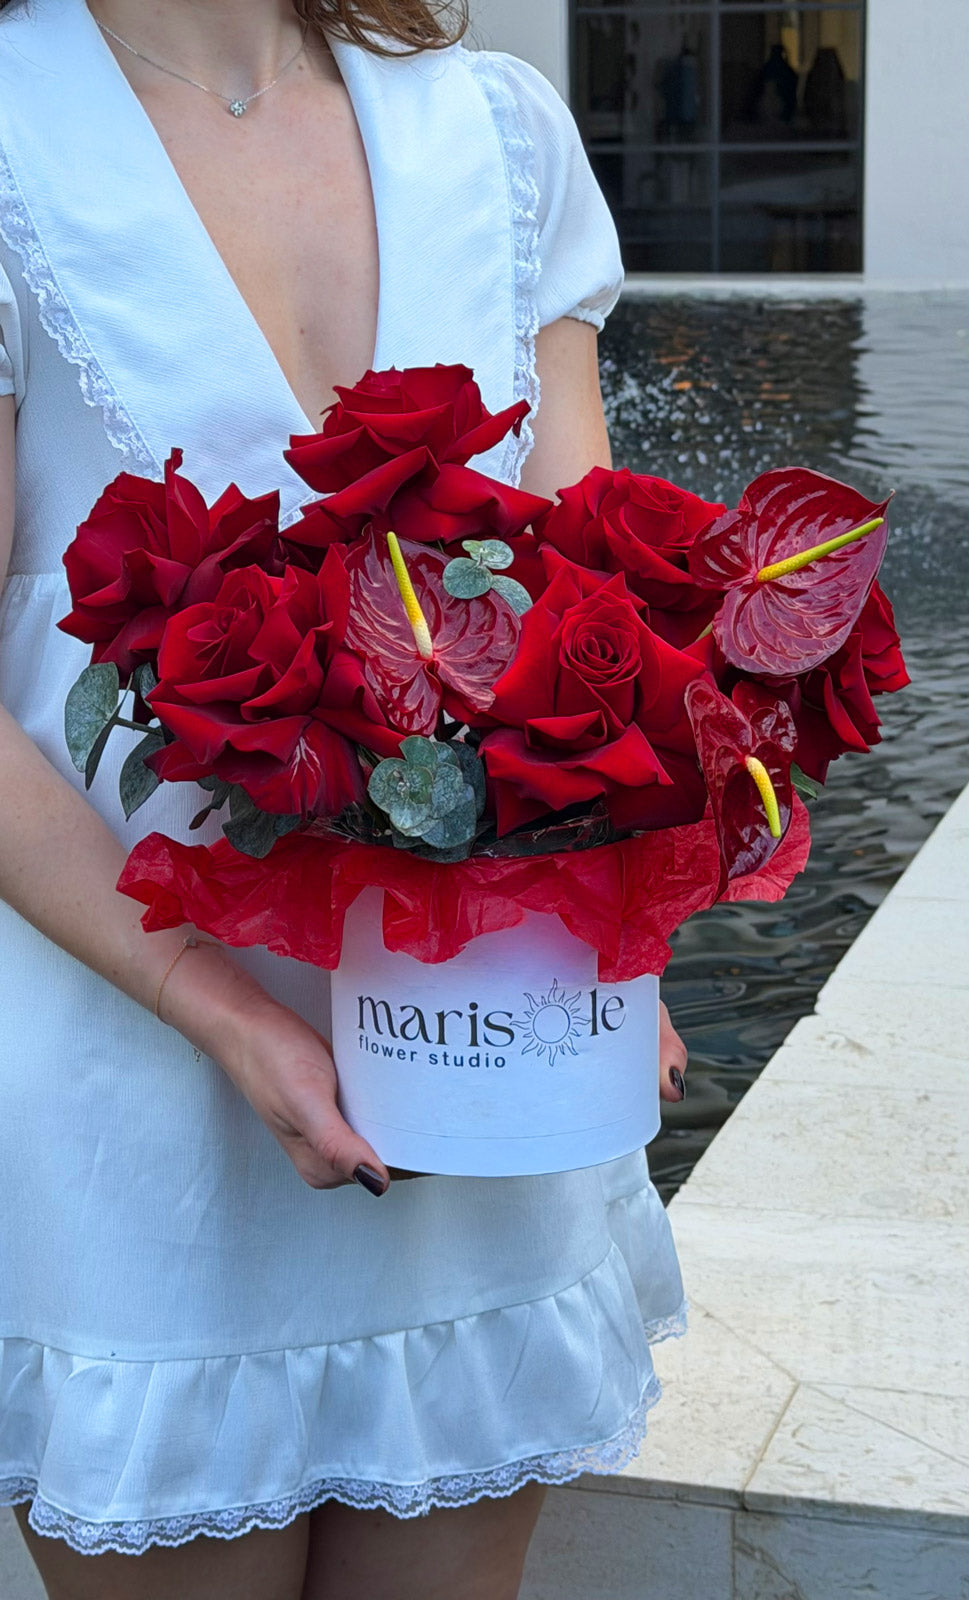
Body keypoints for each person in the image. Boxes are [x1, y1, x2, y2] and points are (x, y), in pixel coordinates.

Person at [0, 2, 690, 1595]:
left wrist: (618, 942)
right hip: (133, 1101)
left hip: (482, 1071)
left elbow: (593, 611)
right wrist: (218, 1009)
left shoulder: (497, 130)